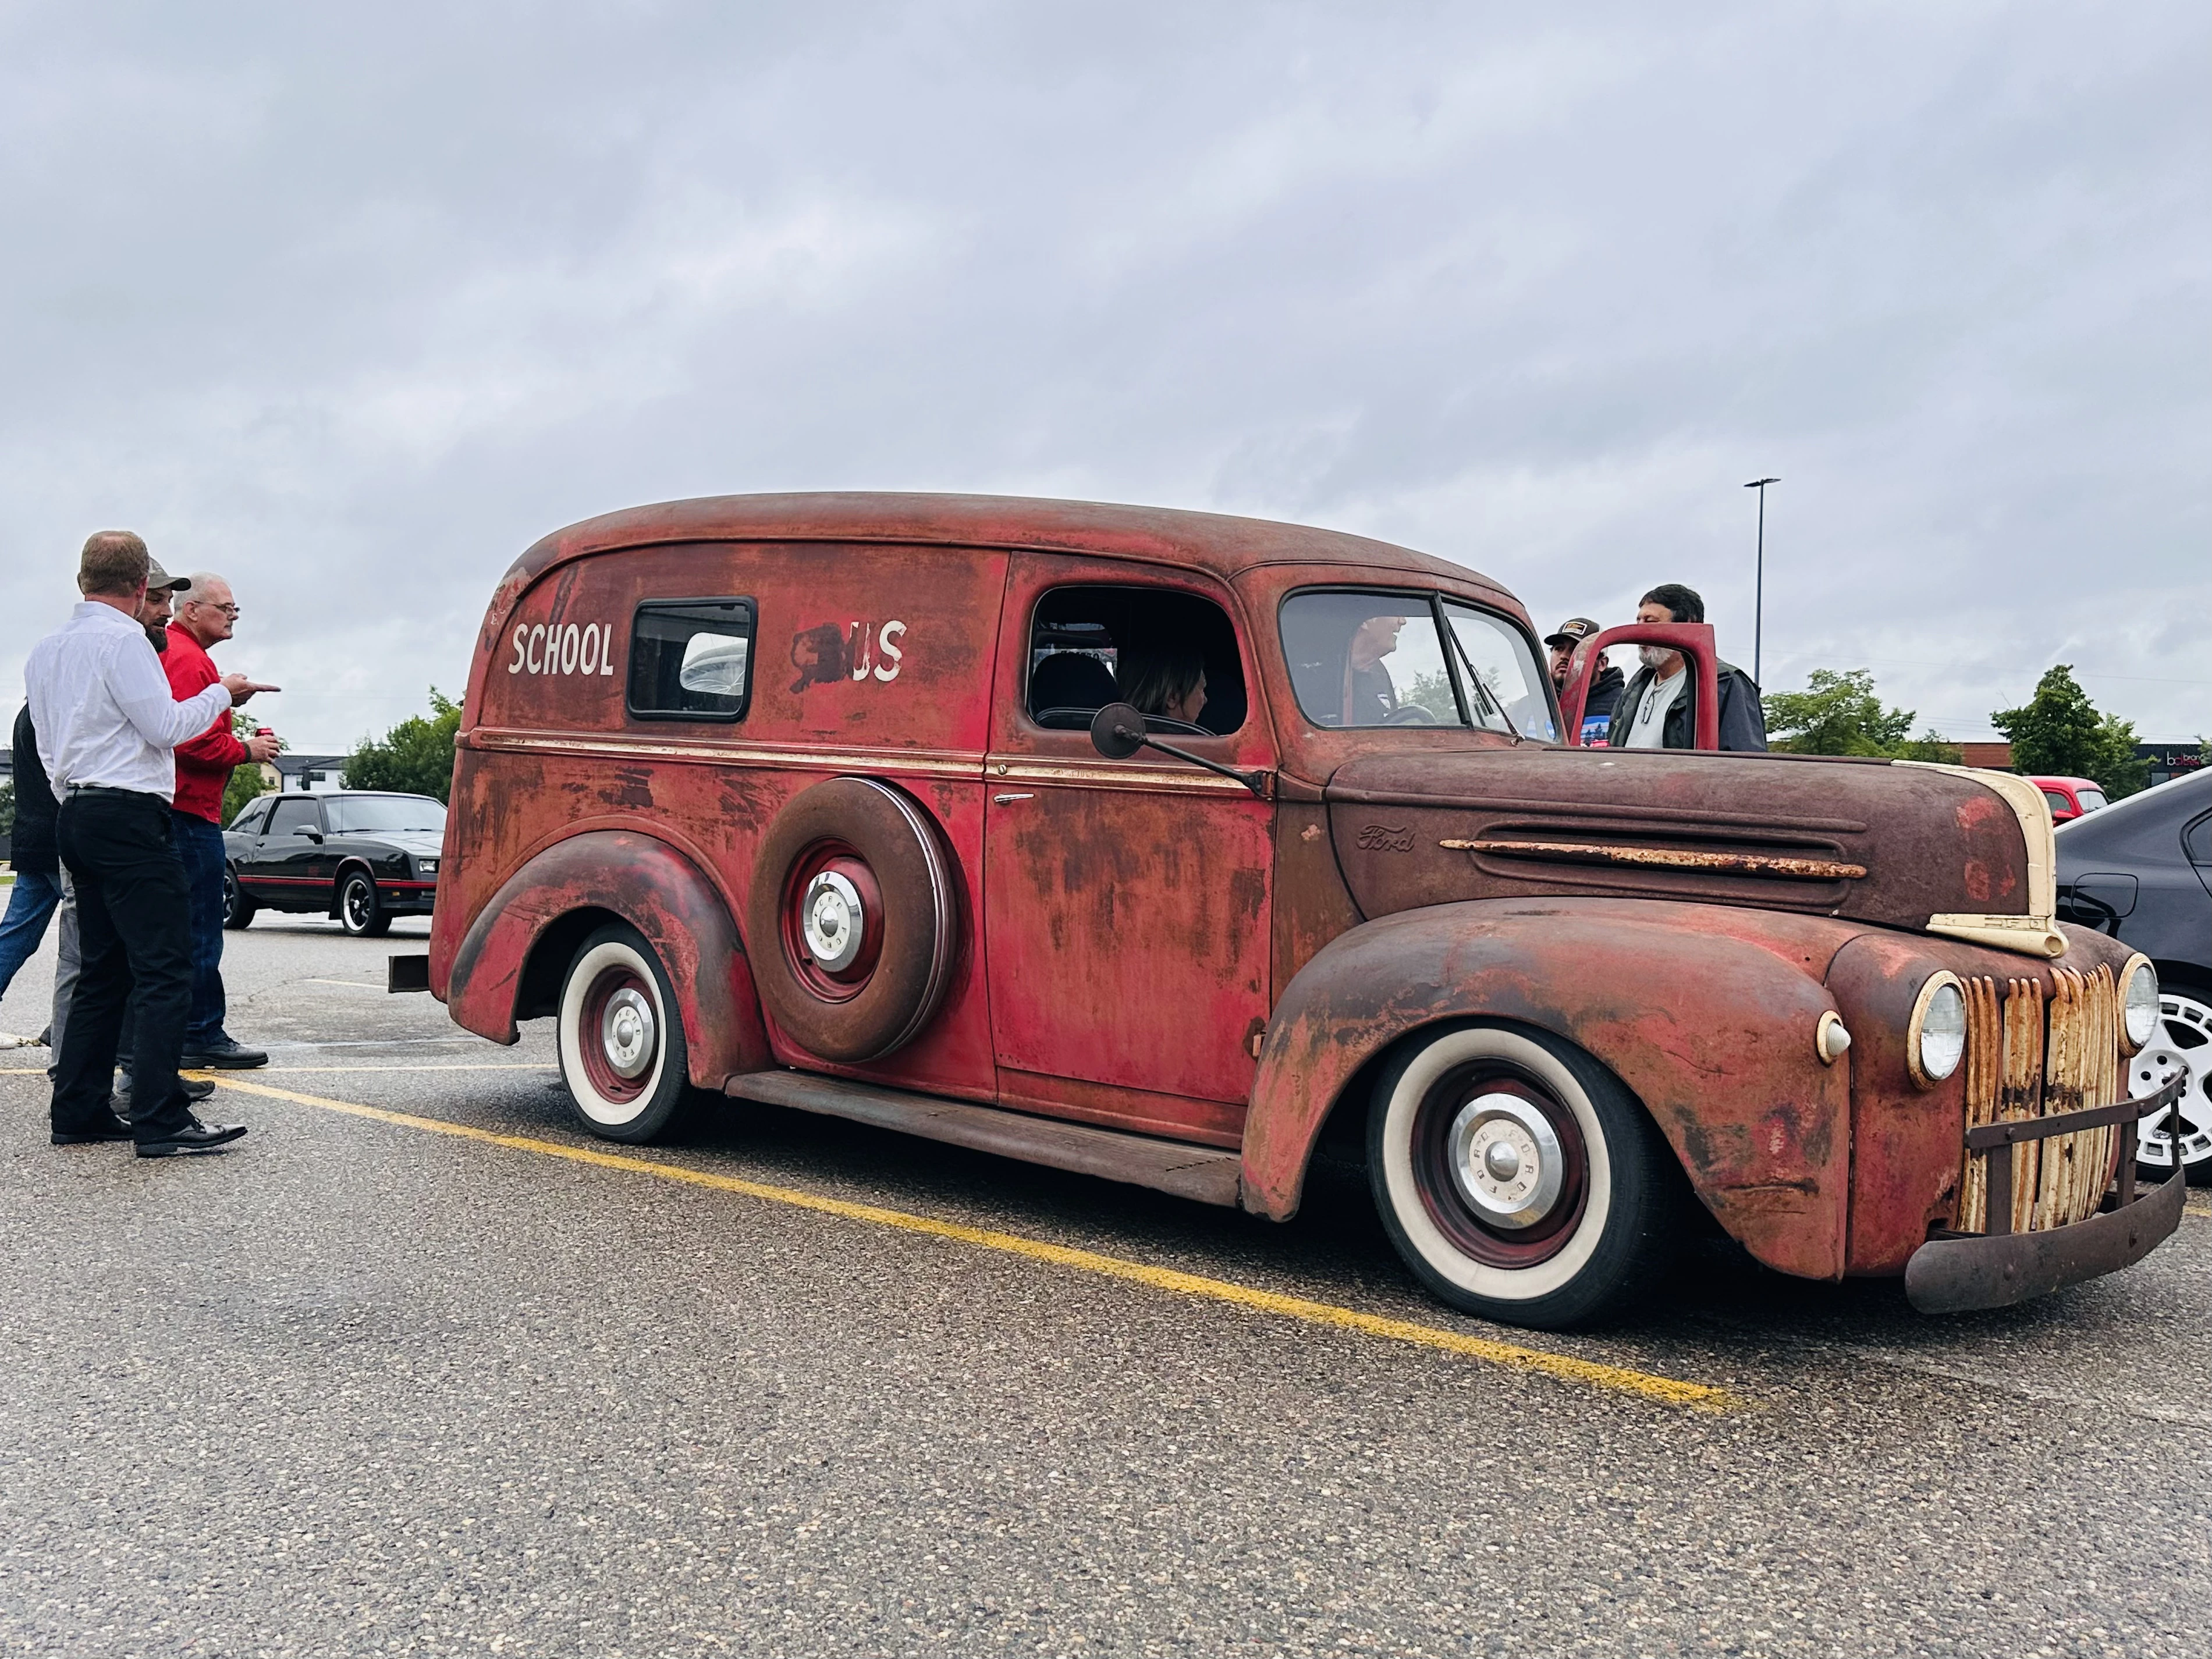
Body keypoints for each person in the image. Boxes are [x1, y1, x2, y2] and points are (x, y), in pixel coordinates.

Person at [26, 531, 272, 1154]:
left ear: (83, 580)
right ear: (140, 587)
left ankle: (78, 1108)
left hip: (76, 808)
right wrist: (224, 694)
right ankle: (161, 1116)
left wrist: (76, 799)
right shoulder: (125, 643)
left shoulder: (47, 650)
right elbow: (166, 726)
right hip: (131, 813)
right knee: (163, 967)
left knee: (101, 970)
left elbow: (48, 746)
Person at [165, 572, 279, 1070]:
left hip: (176, 811)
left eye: (236, 608)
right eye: (225, 606)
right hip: (188, 813)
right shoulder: (190, 660)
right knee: (199, 929)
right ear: (191, 610)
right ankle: (200, 1031)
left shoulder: (178, 653)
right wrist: (247, 750)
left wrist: (227, 697)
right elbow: (188, 740)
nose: (233, 615)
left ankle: (180, 1034)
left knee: (177, 930)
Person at [1606, 583, 1769, 752]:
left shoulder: (1726, 683)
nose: (1640, 632)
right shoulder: (1638, 683)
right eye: (1638, 621)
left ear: (1689, 625)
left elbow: (1743, 760)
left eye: (1651, 622)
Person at [0, 704, 63, 1029]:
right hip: (61, 835)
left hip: (31, 834)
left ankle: (67, 1026)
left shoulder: (27, 714)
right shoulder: (54, 712)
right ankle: (70, 1025)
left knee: (17, 932)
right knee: (96, 938)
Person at [1543, 617, 1625, 746]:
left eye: (1576, 650)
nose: (1564, 656)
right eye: (1559, 649)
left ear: (1602, 664)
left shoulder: (1624, 706)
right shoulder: (1531, 706)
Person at [1117, 641, 1209, 727]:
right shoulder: (1197, 743)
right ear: (1172, 697)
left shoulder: (1114, 739)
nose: (1205, 700)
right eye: (1202, 689)